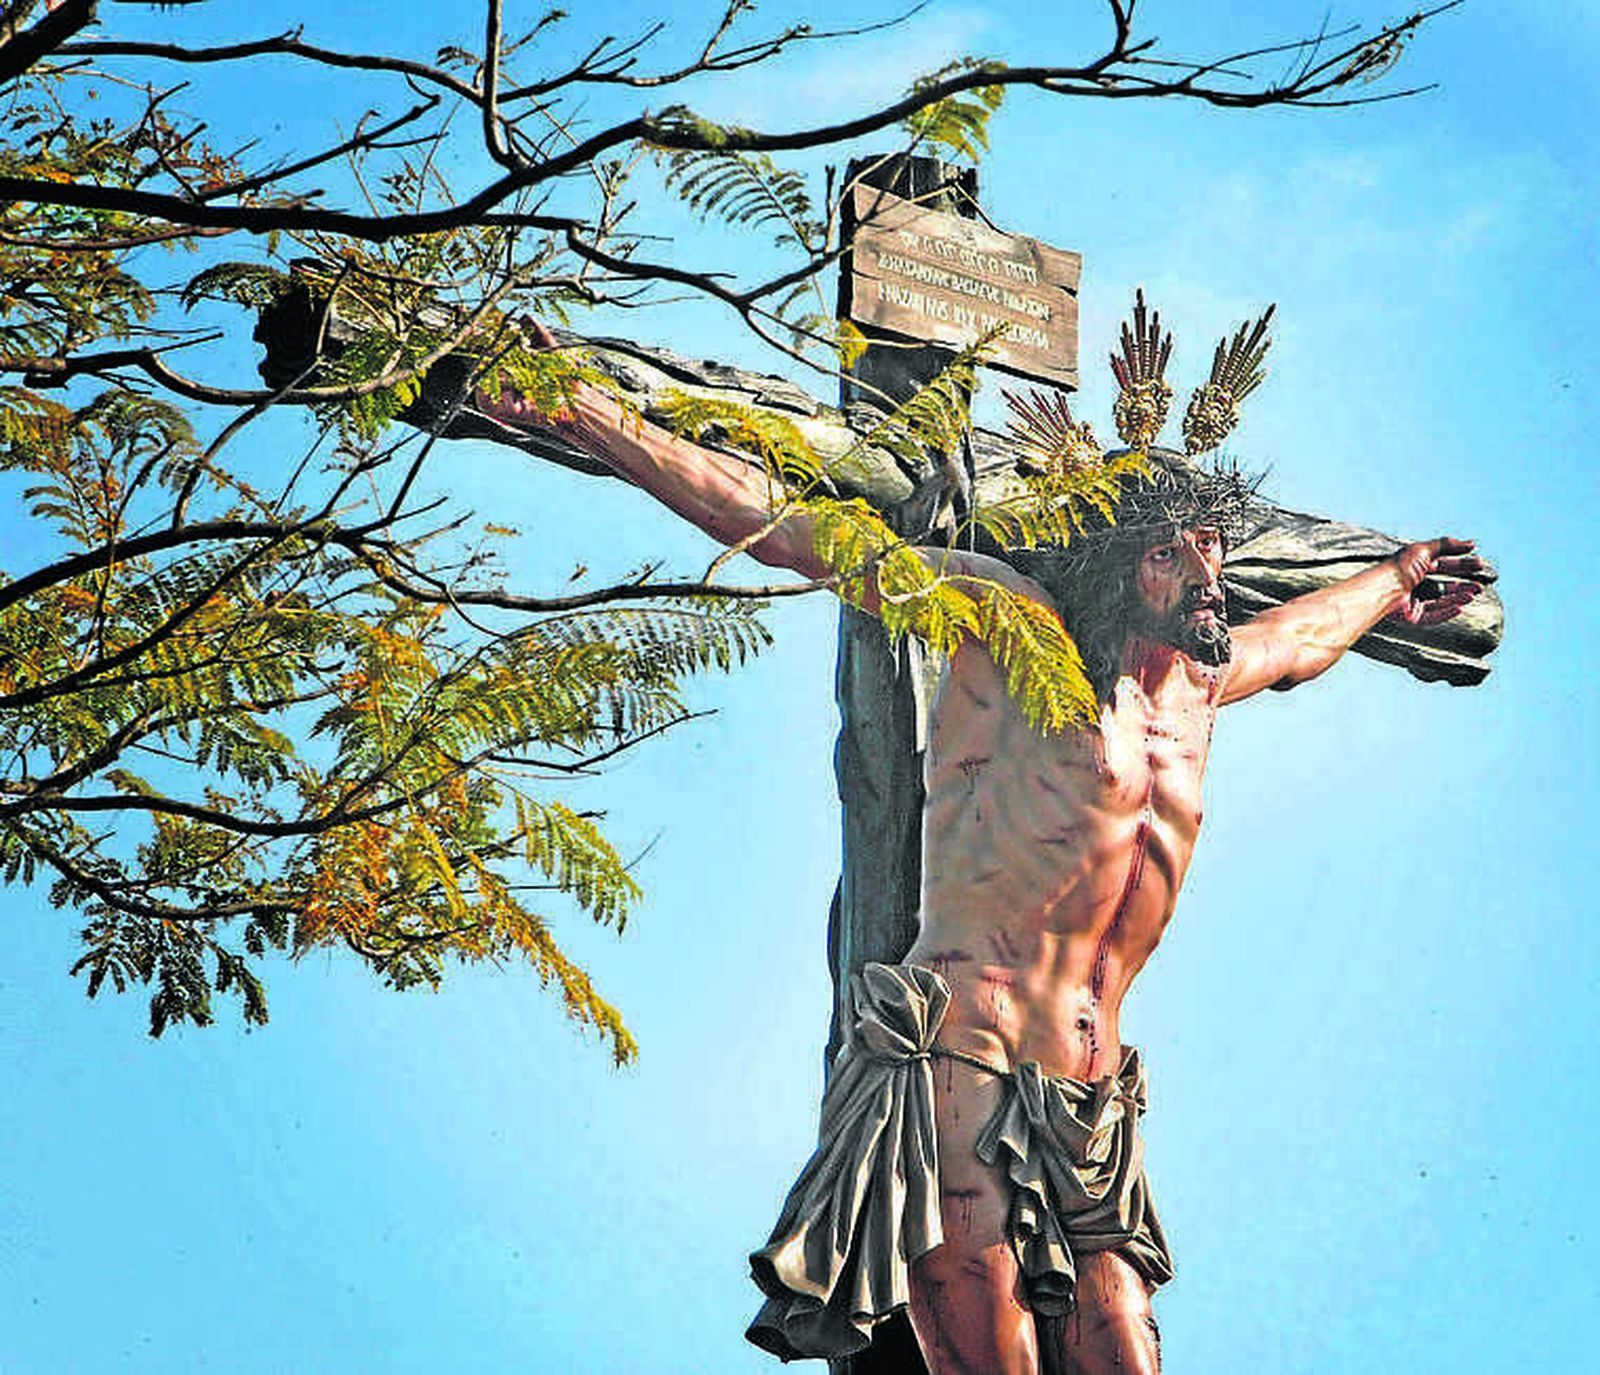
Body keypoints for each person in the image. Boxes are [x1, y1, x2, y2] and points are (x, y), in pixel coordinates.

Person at [477, 336, 1491, 1375]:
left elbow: (1306, 636)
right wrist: (588, 415)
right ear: (1110, 565)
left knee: (1126, 1358)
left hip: (1092, 1097)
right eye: (1165, 553)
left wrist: (1396, 579)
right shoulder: (1007, 621)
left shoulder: (1194, 691)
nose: (1201, 574)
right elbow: (792, 533)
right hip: (962, 1054)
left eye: (1207, 546)